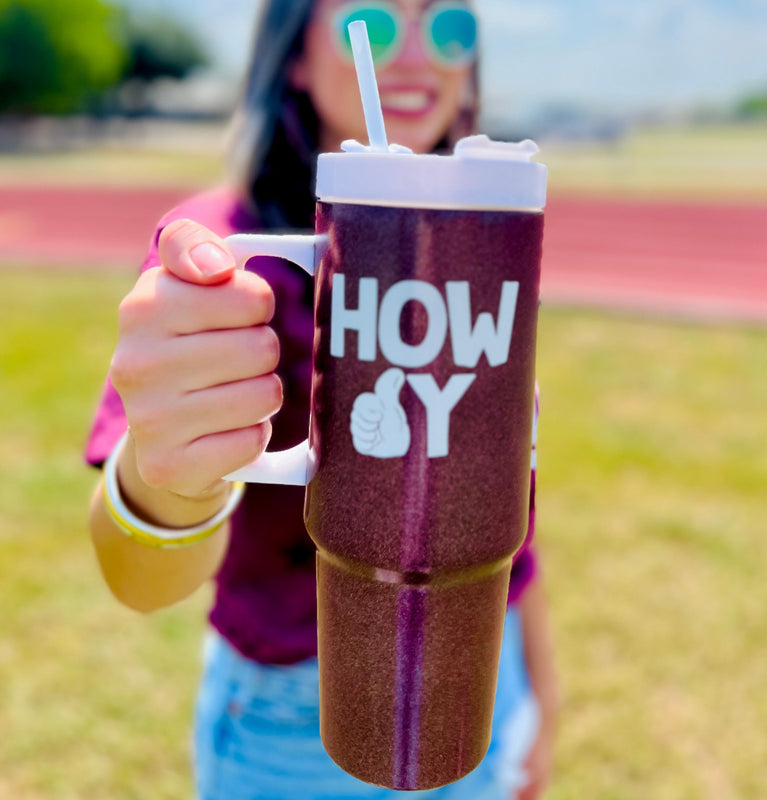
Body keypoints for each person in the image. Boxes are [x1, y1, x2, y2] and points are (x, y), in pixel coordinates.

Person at [86, 1, 559, 798]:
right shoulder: (230, 257)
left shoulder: (488, 237)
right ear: (293, 54)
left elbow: (514, 527)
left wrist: (538, 694)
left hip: (482, 679)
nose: (415, 53)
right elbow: (138, 580)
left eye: (448, 26)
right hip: (291, 722)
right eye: (373, 22)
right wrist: (167, 478)